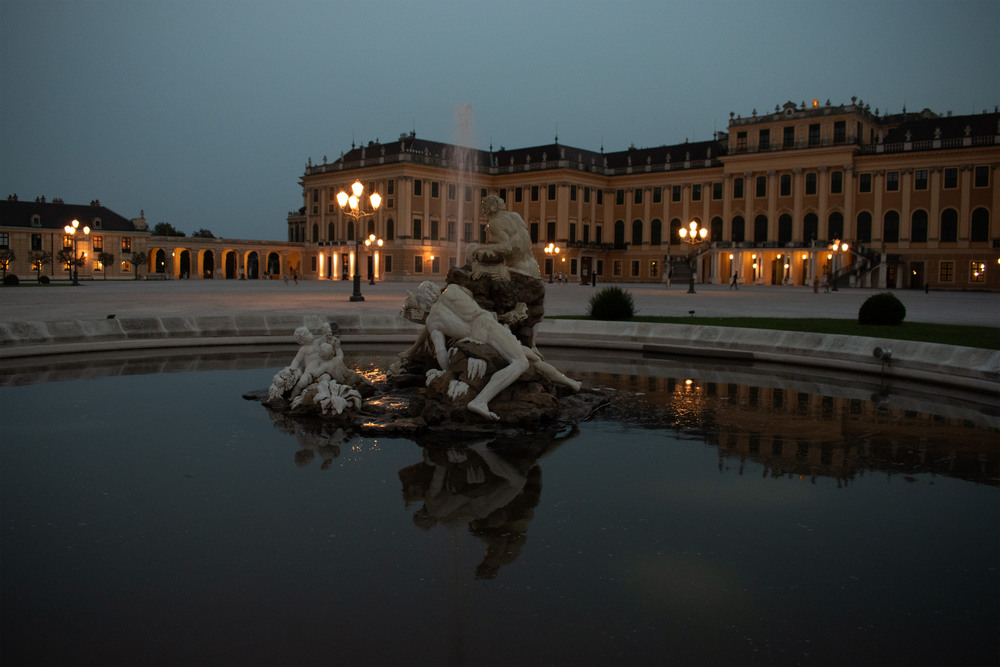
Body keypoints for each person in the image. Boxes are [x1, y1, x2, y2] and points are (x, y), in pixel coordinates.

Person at [399, 281, 580, 421]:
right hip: (486, 327)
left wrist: (450, 374)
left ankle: (571, 383)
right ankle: (480, 401)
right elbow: (472, 301)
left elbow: (441, 352)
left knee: (529, 356)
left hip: (476, 340)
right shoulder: (452, 290)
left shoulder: (432, 321)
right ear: (434, 290)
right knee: (521, 362)